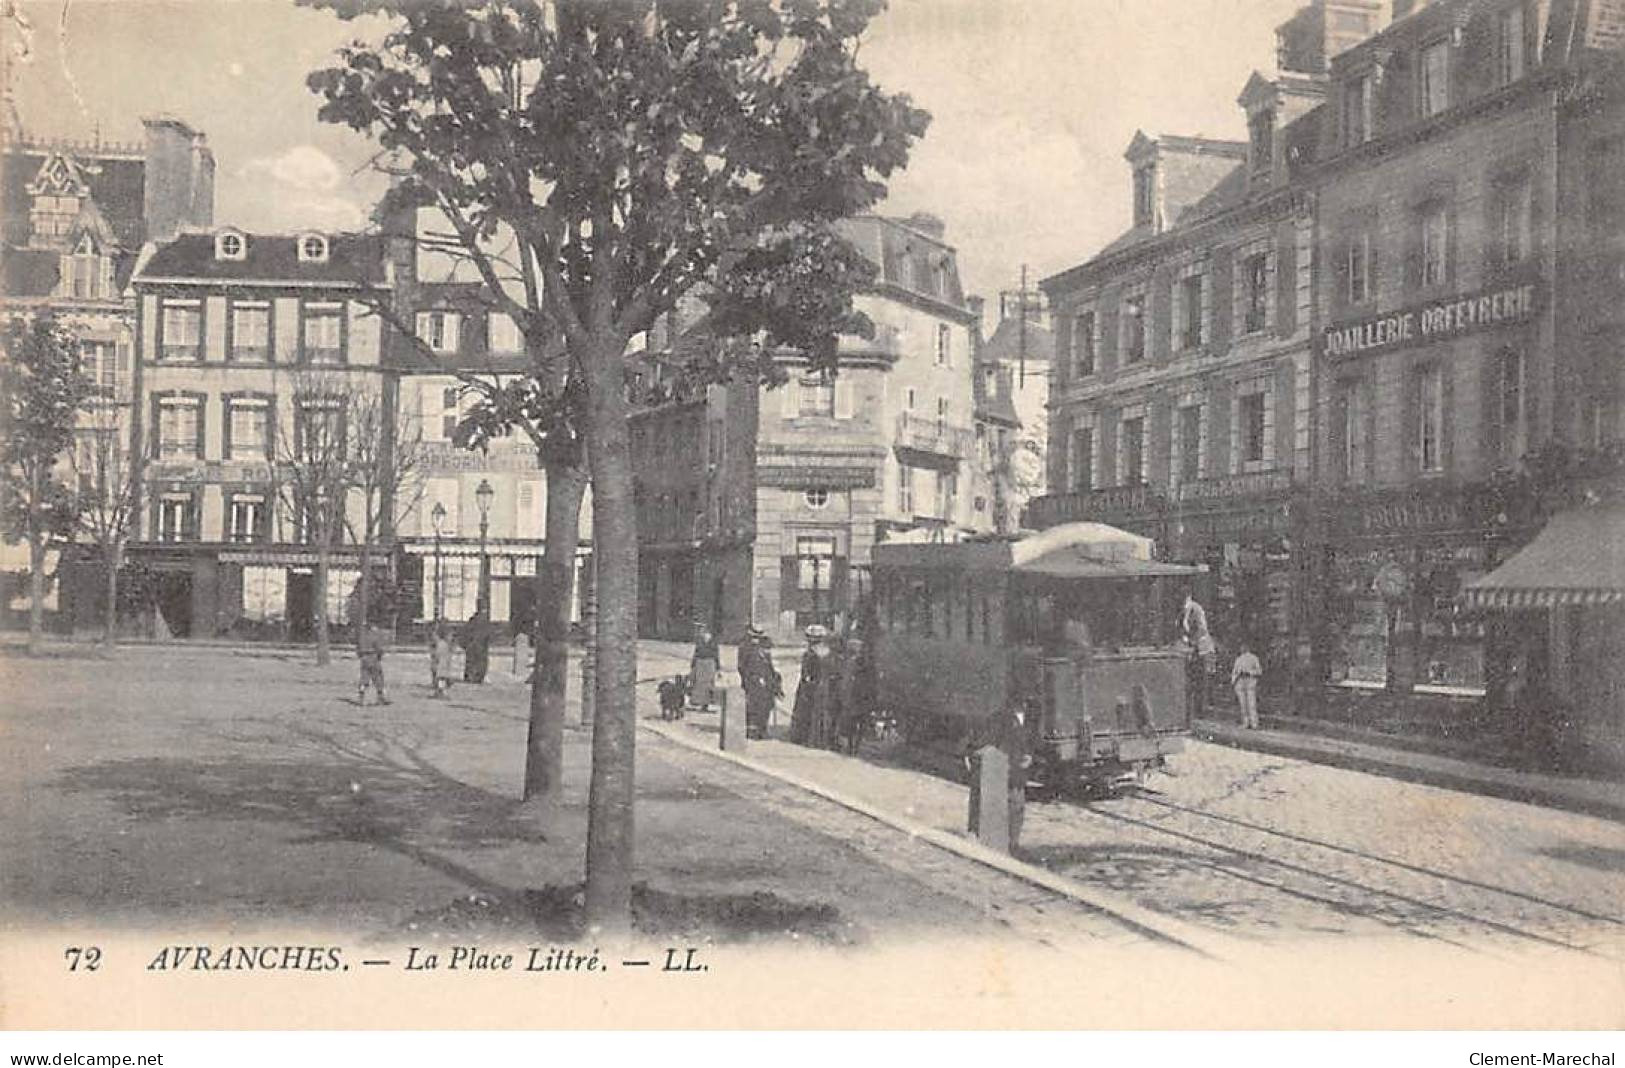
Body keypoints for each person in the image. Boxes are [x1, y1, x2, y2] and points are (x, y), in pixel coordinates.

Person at [789, 624, 836, 749]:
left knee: (807, 711)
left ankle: (808, 739)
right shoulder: (828, 653)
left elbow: (806, 673)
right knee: (824, 713)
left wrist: (806, 682)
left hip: (812, 686)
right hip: (826, 686)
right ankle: (823, 740)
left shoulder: (810, 654)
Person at [737, 625, 781, 740]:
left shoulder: (764, 650)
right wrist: (749, 679)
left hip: (766, 682)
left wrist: (774, 679)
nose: (756, 639)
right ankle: (752, 731)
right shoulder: (745, 647)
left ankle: (763, 729)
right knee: (753, 706)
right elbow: (742, 667)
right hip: (752, 682)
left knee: (766, 706)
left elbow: (769, 666)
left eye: (758, 637)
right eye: (754, 636)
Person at [1181, 593, 1216, 718]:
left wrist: (1192, 643)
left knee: (1198, 683)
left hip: (1199, 652)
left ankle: (1199, 710)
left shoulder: (1195, 609)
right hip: (1193, 650)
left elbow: (1201, 629)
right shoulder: (1185, 610)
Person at [357, 623, 390, 706]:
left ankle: (361, 698)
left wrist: (361, 656)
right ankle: (381, 697)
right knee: (378, 678)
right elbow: (379, 649)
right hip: (373, 657)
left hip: (364, 658)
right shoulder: (374, 637)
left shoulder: (362, 638)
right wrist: (380, 655)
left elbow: (358, 649)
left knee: (364, 678)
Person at [1231, 641, 1263, 729]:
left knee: (1251, 703)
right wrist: (1234, 682)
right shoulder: (1238, 659)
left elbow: (1259, 671)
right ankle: (1246, 722)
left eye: (1244, 647)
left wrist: (1250, 672)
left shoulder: (1253, 658)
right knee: (1243, 704)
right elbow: (1234, 671)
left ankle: (1254, 723)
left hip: (1250, 681)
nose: (1243, 649)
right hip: (1240, 682)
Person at [690, 626, 720, 713]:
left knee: (708, 684)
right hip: (700, 663)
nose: (703, 634)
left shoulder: (714, 642)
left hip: (710, 664)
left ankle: (706, 704)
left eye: (704, 633)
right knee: (698, 683)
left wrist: (718, 668)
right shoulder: (699, 642)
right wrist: (693, 665)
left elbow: (716, 655)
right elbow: (696, 653)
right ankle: (697, 703)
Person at [460, 608, 492, 684]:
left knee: (471, 662)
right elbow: (487, 635)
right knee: (479, 662)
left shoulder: (472, 621)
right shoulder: (484, 622)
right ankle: (477, 678)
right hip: (479, 646)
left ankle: (470, 677)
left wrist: (465, 644)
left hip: (472, 646)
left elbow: (464, 633)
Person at [429, 622, 454, 698]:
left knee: (440, 677)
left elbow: (437, 655)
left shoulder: (441, 644)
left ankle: (441, 692)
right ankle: (441, 691)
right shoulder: (445, 644)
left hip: (440, 664)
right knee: (441, 677)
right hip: (442, 664)